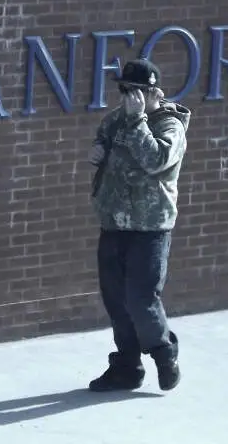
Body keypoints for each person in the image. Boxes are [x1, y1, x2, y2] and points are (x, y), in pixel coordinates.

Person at [87, 58, 191, 393]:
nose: (128, 98)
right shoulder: (119, 118)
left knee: (141, 298)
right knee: (116, 299)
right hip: (114, 222)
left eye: (136, 92)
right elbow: (105, 132)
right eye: (124, 90)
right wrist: (100, 148)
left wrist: (137, 122)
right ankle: (127, 366)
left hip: (150, 226)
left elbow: (157, 160)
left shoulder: (168, 126)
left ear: (153, 92)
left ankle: (164, 355)